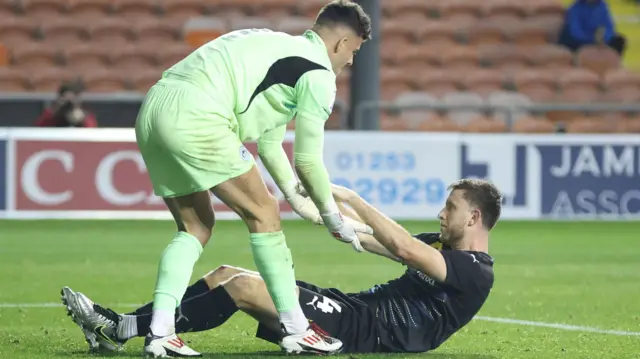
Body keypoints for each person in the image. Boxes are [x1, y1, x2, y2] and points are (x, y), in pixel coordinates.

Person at [128, 0, 372, 356]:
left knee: (195, 227)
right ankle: (297, 328)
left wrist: (298, 199)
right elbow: (307, 160)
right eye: (354, 51)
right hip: (200, 115)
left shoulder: (275, 48)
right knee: (264, 215)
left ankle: (161, 332)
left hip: (155, 108)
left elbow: (270, 146)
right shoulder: (318, 72)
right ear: (342, 44)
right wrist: (334, 217)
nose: (350, 62)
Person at [61, 179, 500, 355]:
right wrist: (328, 216)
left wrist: (351, 198)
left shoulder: (474, 269)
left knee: (242, 288)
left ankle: (120, 328)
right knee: (224, 273)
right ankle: (124, 327)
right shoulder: (441, 246)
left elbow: (403, 249)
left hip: (371, 330)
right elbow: (372, 242)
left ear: (475, 218)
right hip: (352, 308)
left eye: (451, 207)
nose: (442, 214)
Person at [558, 0, 626, 55]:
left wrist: (604, 38)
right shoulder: (575, 8)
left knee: (619, 40)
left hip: (599, 38)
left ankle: (614, 65)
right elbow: (575, 31)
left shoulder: (602, 6)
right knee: (567, 37)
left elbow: (609, 27)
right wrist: (593, 41)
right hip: (580, 40)